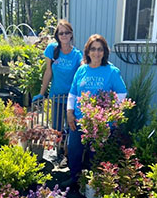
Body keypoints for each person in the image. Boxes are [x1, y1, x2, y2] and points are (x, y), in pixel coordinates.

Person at [65, 34, 127, 188]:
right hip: (80, 121)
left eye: (100, 49)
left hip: (100, 124)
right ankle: (74, 178)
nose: (96, 53)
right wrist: (69, 113)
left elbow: (122, 94)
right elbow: (73, 93)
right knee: (74, 150)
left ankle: (92, 185)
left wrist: (108, 114)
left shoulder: (111, 71)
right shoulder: (81, 70)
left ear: (105, 52)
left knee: (95, 155)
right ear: (87, 51)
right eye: (93, 49)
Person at [33, 20, 83, 164]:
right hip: (56, 96)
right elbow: (48, 72)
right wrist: (42, 93)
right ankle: (58, 153)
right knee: (56, 128)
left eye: (67, 32)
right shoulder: (52, 49)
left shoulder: (76, 55)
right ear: (57, 35)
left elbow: (82, 71)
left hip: (70, 99)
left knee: (70, 128)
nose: (64, 35)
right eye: (61, 33)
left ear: (71, 34)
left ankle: (67, 156)